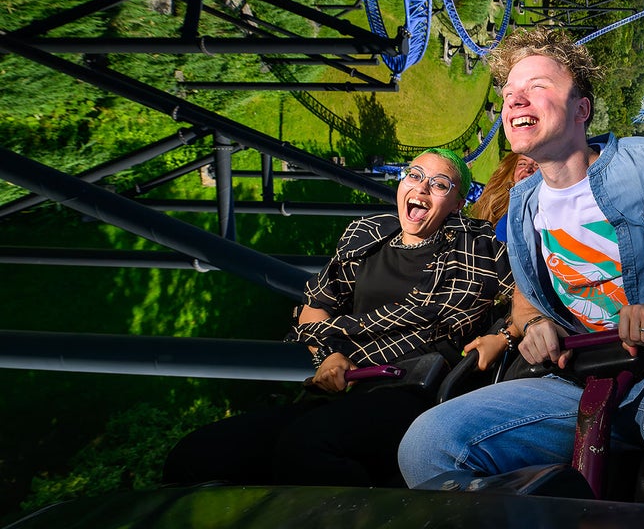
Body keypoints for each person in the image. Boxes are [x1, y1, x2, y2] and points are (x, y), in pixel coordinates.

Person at [398, 27, 644, 510]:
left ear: (581, 109)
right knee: (428, 444)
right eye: (510, 93)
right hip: (578, 382)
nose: (515, 101)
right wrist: (532, 322)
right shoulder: (522, 205)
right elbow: (525, 290)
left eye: (537, 87)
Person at [163, 148, 512, 488]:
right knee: (197, 454)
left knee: (307, 447)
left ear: (458, 203)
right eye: (415, 175)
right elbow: (315, 306)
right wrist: (328, 354)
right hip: (352, 381)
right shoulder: (368, 236)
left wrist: (506, 334)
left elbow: (531, 294)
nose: (421, 188)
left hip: (419, 389)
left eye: (439, 185)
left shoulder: (478, 245)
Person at [469, 152, 539, 242]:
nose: (528, 168)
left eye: (537, 165)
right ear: (512, 172)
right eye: (522, 163)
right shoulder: (498, 211)